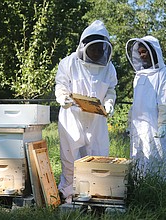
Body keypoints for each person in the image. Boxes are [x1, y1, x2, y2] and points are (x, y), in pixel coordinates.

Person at [55, 20, 118, 203]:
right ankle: (69, 195)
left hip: (96, 120)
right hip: (71, 117)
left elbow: (111, 90)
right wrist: (62, 98)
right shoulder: (68, 63)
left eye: (100, 49)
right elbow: (61, 85)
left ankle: (96, 196)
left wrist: (109, 102)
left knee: (97, 155)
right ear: (83, 46)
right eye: (93, 49)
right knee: (70, 157)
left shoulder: (109, 68)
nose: (97, 53)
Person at [126, 36, 166, 176]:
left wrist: (163, 124)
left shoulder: (163, 73)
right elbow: (136, 102)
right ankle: (138, 189)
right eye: (140, 52)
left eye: (145, 52)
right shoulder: (139, 75)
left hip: (155, 125)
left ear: (154, 52)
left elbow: (163, 101)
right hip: (139, 125)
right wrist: (129, 122)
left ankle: (155, 191)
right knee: (138, 157)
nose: (142, 55)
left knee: (156, 158)